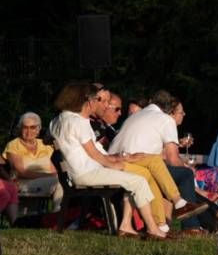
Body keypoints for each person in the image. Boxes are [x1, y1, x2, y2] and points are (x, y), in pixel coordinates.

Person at [49, 81, 164, 237]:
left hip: (77, 172)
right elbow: (94, 154)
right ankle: (153, 229)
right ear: (88, 101)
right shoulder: (77, 122)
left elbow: (51, 139)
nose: (100, 104)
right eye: (97, 100)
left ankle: (126, 225)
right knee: (139, 180)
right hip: (86, 173)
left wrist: (117, 161)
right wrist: (114, 164)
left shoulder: (57, 120)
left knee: (133, 179)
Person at [112, 90, 197, 218]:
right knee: (185, 175)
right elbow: (172, 159)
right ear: (169, 109)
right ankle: (191, 225)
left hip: (112, 162)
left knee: (164, 176)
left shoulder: (136, 115)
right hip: (134, 165)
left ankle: (164, 225)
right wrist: (187, 167)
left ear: (151, 102)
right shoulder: (166, 119)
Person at [3, 112, 63, 211]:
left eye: (32, 127)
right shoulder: (14, 145)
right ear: (20, 128)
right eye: (25, 127)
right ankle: (58, 215)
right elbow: (21, 172)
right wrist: (47, 176)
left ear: (38, 130)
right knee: (58, 183)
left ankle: (57, 215)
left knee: (62, 182)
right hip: (21, 184)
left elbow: (53, 170)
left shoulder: (44, 145)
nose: (29, 131)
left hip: (44, 183)